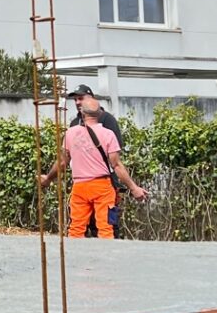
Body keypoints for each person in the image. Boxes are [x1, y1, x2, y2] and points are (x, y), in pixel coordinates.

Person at [40, 86, 148, 240]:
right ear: (99, 113)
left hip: (80, 185)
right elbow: (116, 165)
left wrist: (48, 178)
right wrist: (133, 187)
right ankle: (107, 254)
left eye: (80, 99)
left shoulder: (70, 133)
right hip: (103, 186)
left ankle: (75, 253)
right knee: (106, 228)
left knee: (76, 229)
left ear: (83, 113)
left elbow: (63, 162)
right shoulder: (108, 134)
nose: (77, 102)